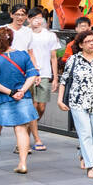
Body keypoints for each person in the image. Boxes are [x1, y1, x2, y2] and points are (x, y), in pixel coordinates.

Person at [0, 26, 39, 174]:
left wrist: (10, 93)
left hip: (0, 99)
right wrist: (22, 90)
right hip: (22, 98)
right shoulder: (23, 55)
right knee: (21, 129)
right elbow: (32, 75)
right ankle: (22, 163)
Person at [58, 29, 93, 179]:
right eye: (88, 42)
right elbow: (64, 80)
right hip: (77, 101)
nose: (92, 44)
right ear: (81, 45)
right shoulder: (73, 59)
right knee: (85, 133)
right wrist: (59, 99)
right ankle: (91, 166)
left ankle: (83, 154)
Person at [24, 8, 60, 153]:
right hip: (28, 74)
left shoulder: (50, 35)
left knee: (41, 107)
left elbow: (53, 57)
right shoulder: (25, 34)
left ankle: (25, 133)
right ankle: (37, 139)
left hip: (45, 73)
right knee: (33, 106)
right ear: (29, 19)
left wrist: (55, 77)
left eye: (40, 18)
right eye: (34, 18)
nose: (37, 21)